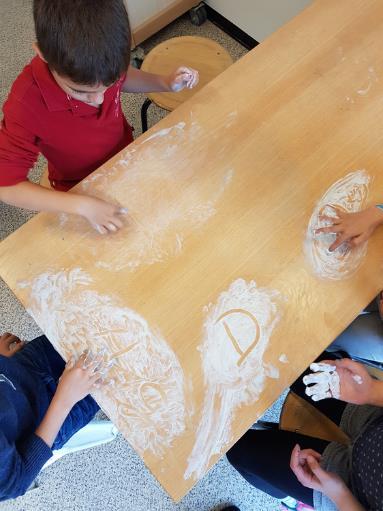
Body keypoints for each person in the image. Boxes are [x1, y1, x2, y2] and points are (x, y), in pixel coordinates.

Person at [0, 0, 199, 235]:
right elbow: (7, 186)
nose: (100, 100)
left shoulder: (102, 61)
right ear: (42, 54)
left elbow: (122, 78)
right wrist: (82, 206)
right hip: (79, 188)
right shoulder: (26, 104)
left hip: (124, 158)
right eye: (80, 92)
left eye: (109, 85)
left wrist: (163, 83)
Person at [227, 353, 383, 511]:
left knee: (235, 449)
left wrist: (339, 493)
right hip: (374, 413)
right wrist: (372, 391)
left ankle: (284, 494)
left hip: (351, 492)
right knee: (293, 354)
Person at [0, 331, 111, 501]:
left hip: (25, 366)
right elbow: (17, 481)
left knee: (98, 328)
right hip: (53, 415)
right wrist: (64, 400)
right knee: (123, 366)